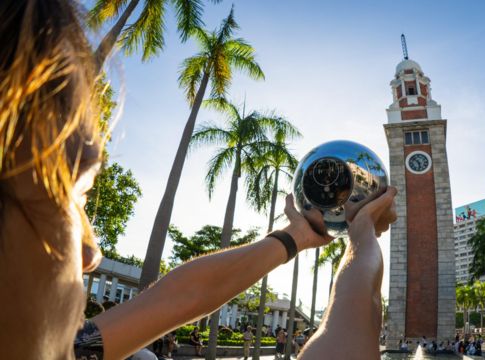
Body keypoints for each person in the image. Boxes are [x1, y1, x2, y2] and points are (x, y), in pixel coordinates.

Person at [0, 4, 397, 360]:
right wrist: (362, 249)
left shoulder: (72, 349)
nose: (91, 253)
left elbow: (181, 299)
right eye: (75, 193)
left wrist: (293, 238)